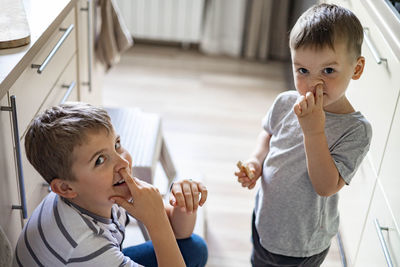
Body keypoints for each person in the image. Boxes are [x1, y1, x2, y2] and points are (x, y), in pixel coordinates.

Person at [235, 4, 372, 267]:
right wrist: (255, 161)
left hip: (302, 244)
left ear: (356, 69)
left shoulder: (355, 130)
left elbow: (325, 185)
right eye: (303, 70)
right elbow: (268, 133)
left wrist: (314, 130)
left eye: (328, 71)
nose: (313, 84)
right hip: (264, 220)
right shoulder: (286, 102)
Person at [13, 102, 208, 267]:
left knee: (193, 249)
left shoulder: (99, 190)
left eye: (117, 144)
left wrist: (184, 205)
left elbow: (178, 231)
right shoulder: (84, 244)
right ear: (65, 188)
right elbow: (163, 228)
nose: (122, 162)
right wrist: (156, 222)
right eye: (99, 160)